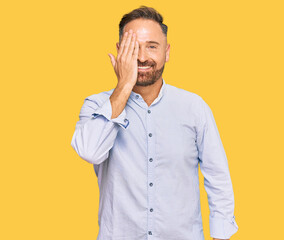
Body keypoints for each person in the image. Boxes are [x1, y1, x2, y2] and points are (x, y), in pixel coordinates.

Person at [71, 6, 238, 240]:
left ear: (166, 52)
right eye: (133, 47)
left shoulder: (194, 107)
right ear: (120, 51)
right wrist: (123, 86)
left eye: (151, 46)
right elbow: (90, 151)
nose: (142, 57)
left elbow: (218, 176)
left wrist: (221, 235)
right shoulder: (96, 105)